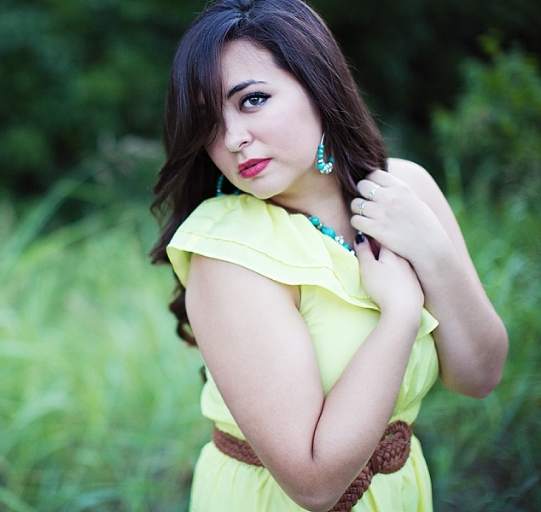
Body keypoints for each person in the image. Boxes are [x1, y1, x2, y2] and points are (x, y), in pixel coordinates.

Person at [149, 0, 508, 510]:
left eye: (252, 100)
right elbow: (313, 484)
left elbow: (479, 378)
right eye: (208, 120)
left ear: (318, 85)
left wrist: (432, 252)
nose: (232, 139)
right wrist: (400, 314)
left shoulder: (404, 190)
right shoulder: (226, 246)